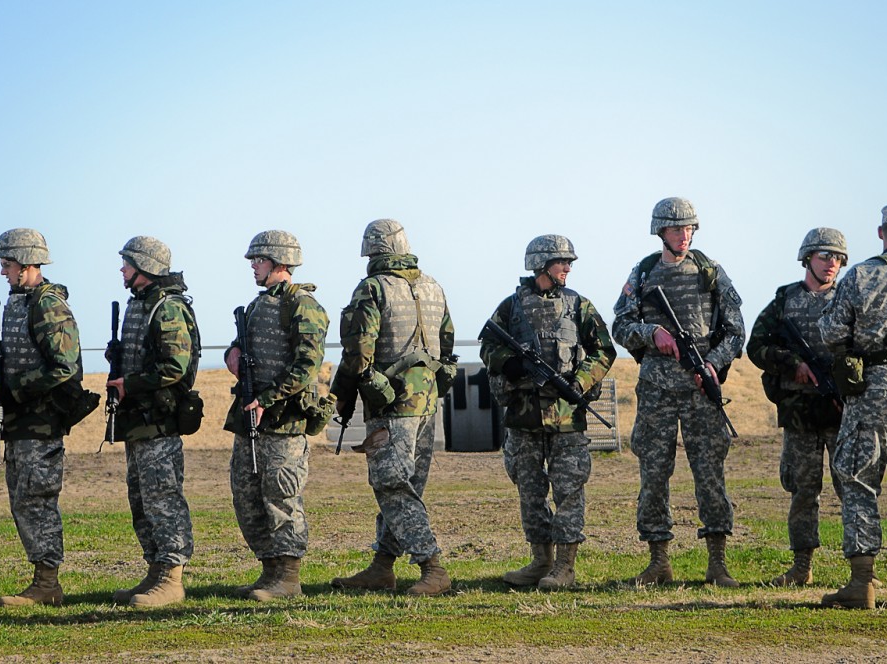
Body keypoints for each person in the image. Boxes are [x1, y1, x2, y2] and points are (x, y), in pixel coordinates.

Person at [612, 197, 746, 587]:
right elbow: (619, 325)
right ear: (661, 232)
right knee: (653, 473)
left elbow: (737, 330)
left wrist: (712, 363)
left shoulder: (710, 271)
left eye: (689, 229)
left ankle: (717, 563)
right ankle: (658, 561)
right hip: (656, 389)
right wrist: (650, 333)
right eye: (676, 229)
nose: (684, 236)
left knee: (709, 474)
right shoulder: (643, 273)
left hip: (700, 388)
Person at [479, 235, 615, 589]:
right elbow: (489, 347)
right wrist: (509, 365)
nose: (568, 268)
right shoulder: (511, 307)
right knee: (529, 489)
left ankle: (565, 567)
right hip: (523, 418)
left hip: (567, 418)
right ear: (541, 265)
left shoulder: (579, 306)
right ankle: (541, 561)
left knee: (569, 489)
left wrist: (581, 382)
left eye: (568, 263)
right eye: (562, 263)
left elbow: (604, 350)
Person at [329, 219, 457, 596]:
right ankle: (382, 568)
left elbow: (357, 352)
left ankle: (432, 568)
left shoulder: (372, 288)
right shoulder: (433, 287)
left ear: (372, 250)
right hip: (426, 403)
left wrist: (344, 394)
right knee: (408, 486)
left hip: (391, 406)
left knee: (392, 487)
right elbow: (446, 344)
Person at [0, 228, 94, 607]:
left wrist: (17, 388)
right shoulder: (21, 303)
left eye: (8, 264)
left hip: (40, 421)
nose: (4, 272)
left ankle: (47, 583)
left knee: (37, 499)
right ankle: (42, 579)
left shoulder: (48, 305)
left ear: (28, 263)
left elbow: (64, 366)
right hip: (21, 423)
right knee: (22, 500)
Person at [224, 231, 331, 601]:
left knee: (282, 497)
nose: (253, 266)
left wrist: (268, 398)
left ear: (279, 262)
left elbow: (307, 366)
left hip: (284, 421)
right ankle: (269, 571)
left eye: (259, 260)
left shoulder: (304, 305)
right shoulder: (256, 305)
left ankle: (288, 578)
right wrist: (232, 353)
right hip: (251, 418)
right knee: (246, 495)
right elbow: (246, 346)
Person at [819, 203, 887, 610]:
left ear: (881, 232)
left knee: (857, 477)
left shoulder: (863, 273)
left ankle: (862, 583)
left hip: (874, 385)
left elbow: (832, 331)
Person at [747, 228, 847, 586]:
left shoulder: (849, 298)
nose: (831, 263)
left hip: (841, 412)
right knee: (803, 490)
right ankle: (802, 567)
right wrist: (791, 364)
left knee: (850, 489)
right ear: (808, 258)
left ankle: (860, 570)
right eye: (824, 256)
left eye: (837, 257)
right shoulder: (784, 301)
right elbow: (756, 347)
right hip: (800, 413)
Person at [107, 236, 200, 608]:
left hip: (158, 421)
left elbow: (175, 367)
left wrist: (130, 383)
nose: (122, 269)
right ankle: (155, 571)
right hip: (139, 422)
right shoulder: (141, 305)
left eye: (127, 263)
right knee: (141, 499)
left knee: (163, 497)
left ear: (145, 267)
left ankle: (172, 579)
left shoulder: (168, 308)